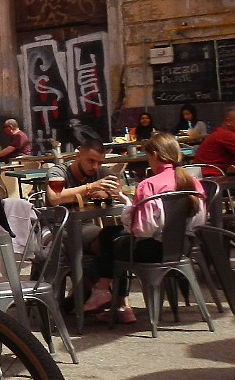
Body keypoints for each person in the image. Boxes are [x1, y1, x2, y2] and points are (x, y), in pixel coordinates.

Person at [98, 133, 207, 325]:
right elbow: (200, 220)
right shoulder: (192, 181)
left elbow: (143, 230)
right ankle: (109, 296)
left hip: (152, 251)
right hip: (183, 247)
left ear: (155, 154)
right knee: (114, 236)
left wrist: (127, 213)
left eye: (148, 156)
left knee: (111, 239)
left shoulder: (148, 185)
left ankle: (113, 298)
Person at [47, 144, 123, 305]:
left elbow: (117, 185)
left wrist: (108, 192)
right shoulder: (58, 172)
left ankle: (117, 302)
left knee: (115, 244)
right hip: (55, 229)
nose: (95, 166)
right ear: (78, 155)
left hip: (85, 227)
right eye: (90, 161)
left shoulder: (99, 172)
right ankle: (90, 291)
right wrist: (90, 187)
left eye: (99, 163)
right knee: (69, 244)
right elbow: (54, 198)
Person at [192, 107, 235, 176]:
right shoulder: (226, 135)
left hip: (204, 176)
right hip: (212, 178)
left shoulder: (220, 133)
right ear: (229, 122)